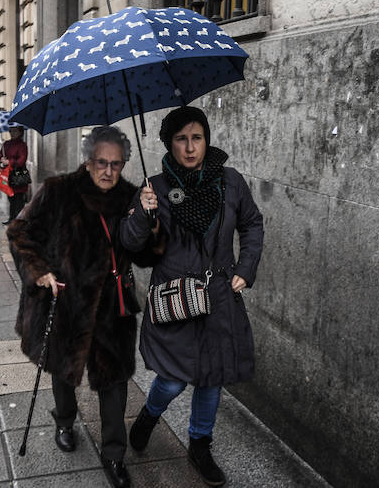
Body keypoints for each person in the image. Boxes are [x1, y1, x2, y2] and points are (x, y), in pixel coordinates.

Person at [7, 126, 159, 488]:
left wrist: (150, 220)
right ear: (88, 160)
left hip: (112, 305)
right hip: (67, 300)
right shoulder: (58, 191)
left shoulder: (131, 197)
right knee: (63, 369)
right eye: (101, 163)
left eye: (117, 164)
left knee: (115, 381)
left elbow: (145, 255)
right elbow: (19, 231)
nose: (109, 171)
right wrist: (39, 272)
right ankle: (63, 419)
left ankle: (114, 454)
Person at [121, 106, 264, 487]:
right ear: (169, 143)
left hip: (218, 295)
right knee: (172, 379)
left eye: (196, 138)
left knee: (211, 378)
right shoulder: (156, 187)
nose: (189, 147)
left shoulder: (230, 182)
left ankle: (200, 444)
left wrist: (244, 271)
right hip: (175, 296)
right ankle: (151, 413)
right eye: (181, 139)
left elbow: (252, 224)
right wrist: (142, 213)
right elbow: (132, 244)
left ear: (207, 140)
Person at [0, 126, 28, 224]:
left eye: (15, 131)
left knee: (19, 199)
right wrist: (1, 159)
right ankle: (11, 218)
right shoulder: (6, 144)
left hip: (18, 176)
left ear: (20, 132)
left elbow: (22, 160)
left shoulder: (22, 145)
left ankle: (19, 220)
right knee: (10, 197)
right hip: (8, 175)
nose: (12, 133)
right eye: (11, 131)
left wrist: (10, 162)